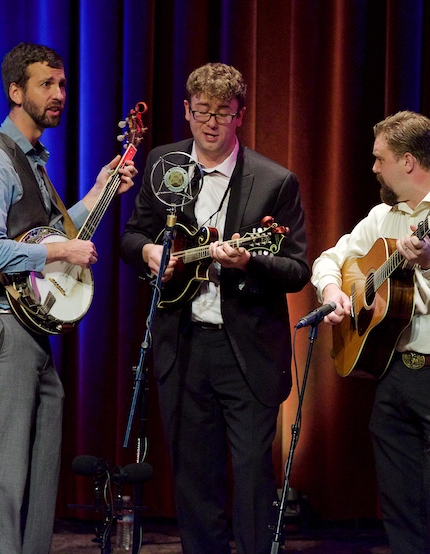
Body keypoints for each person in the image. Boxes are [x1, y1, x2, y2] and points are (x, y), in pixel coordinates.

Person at [0, 42, 138, 554]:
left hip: (30, 335)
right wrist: (61, 250)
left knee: (37, 486)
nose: (59, 94)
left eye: (61, 84)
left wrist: (99, 192)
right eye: (46, 85)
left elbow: (48, 233)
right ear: (16, 92)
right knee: (1, 482)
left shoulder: (32, 162)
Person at [120, 63, 309, 554]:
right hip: (181, 345)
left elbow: (296, 269)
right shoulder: (164, 163)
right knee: (193, 478)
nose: (210, 123)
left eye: (223, 113)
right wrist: (149, 251)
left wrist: (249, 261)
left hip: (246, 351)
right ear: (186, 110)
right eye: (201, 111)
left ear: (240, 115)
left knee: (251, 478)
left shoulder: (275, 181)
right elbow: (132, 235)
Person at [311, 111, 430, 554]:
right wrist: (333, 290)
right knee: (398, 502)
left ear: (409, 161)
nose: (374, 168)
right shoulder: (385, 215)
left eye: (380, 158)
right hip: (395, 372)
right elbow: (330, 257)